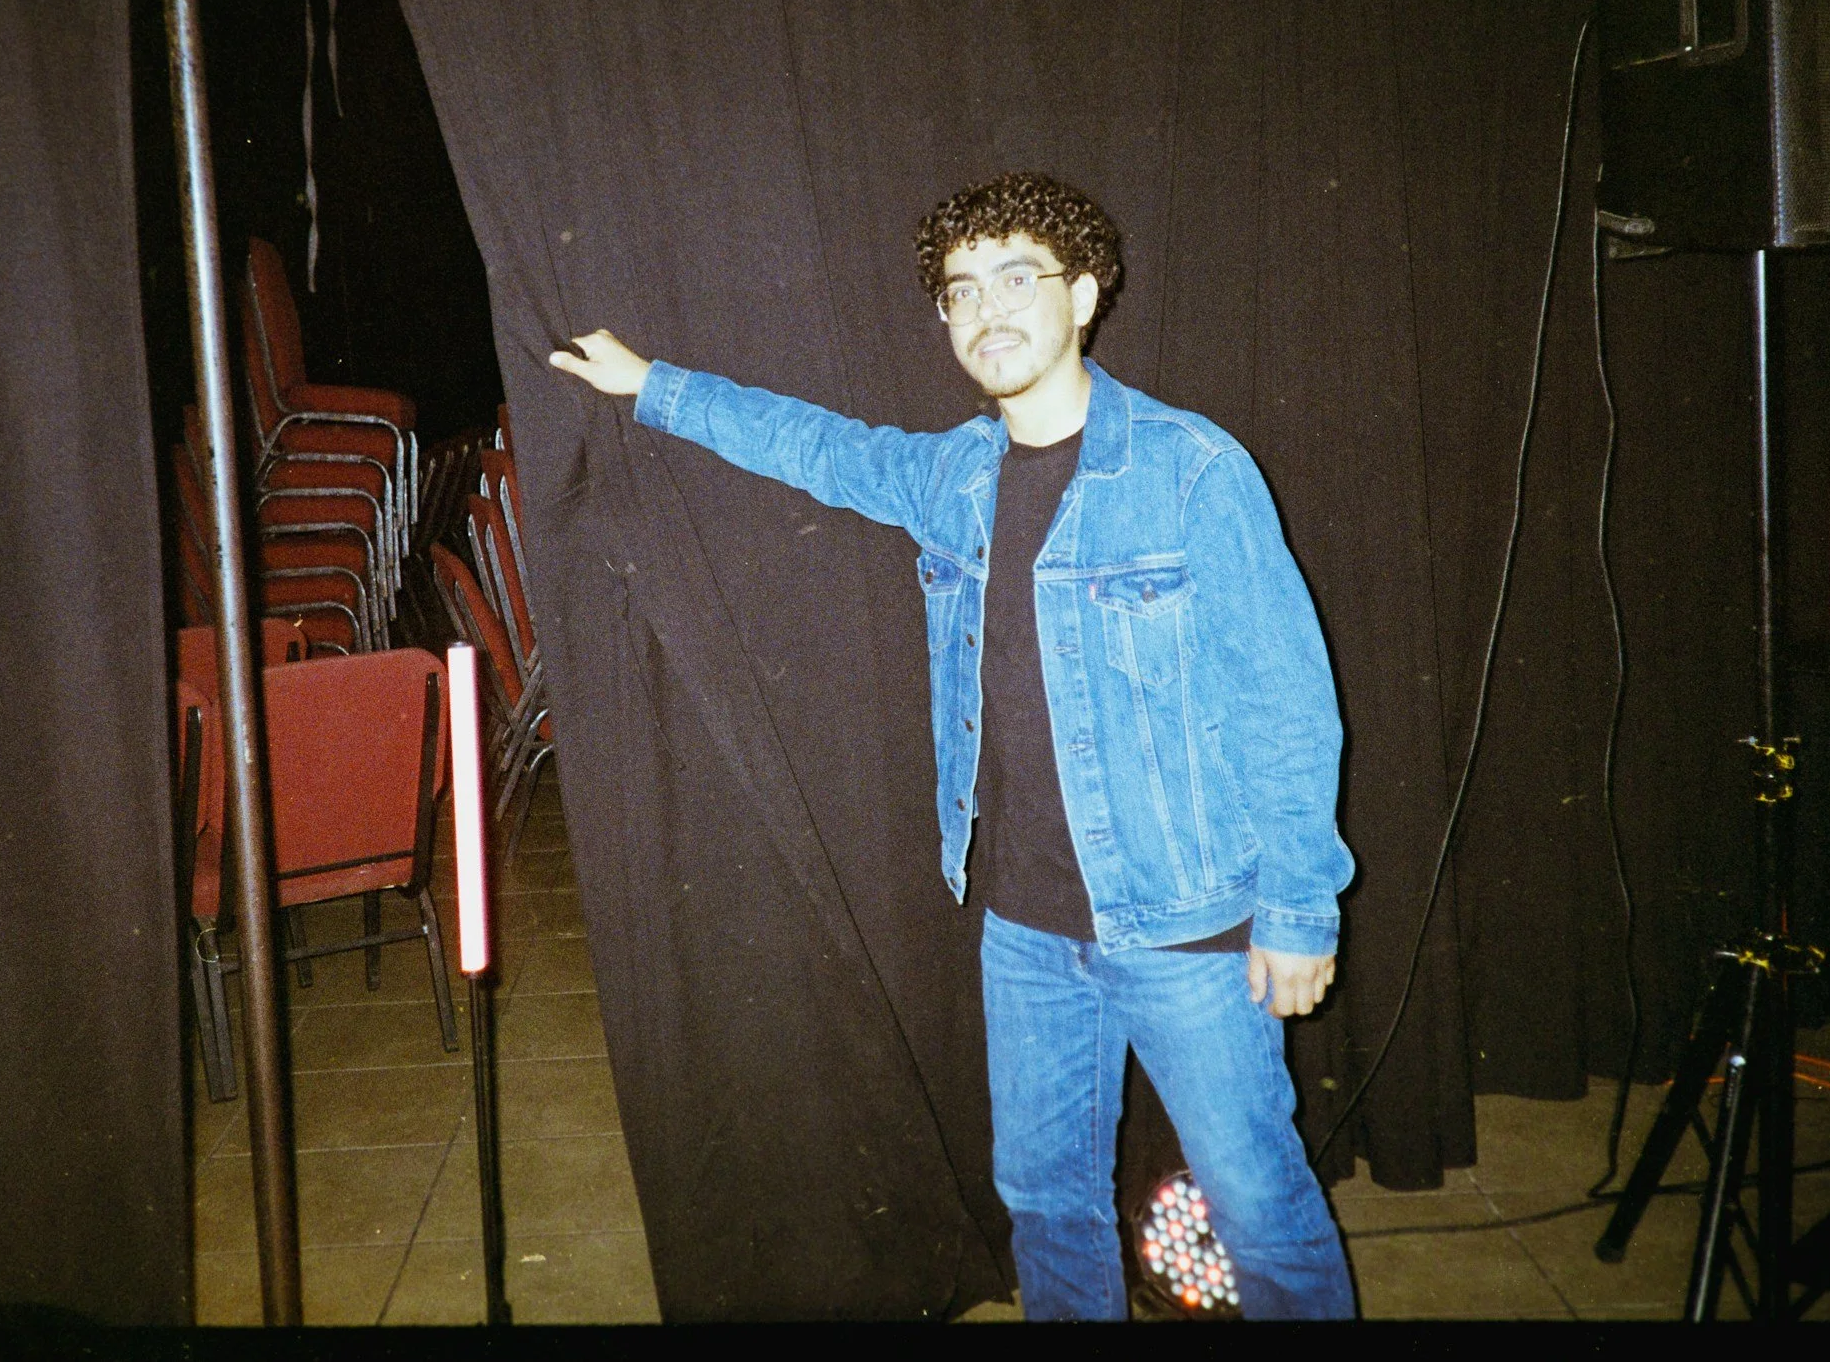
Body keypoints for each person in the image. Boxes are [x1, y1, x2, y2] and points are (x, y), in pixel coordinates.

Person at [550, 171, 1356, 1321]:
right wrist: (650, 385)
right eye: (961, 290)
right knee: (1045, 1203)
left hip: (1184, 920)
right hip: (1024, 925)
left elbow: (1286, 700)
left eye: (1017, 278)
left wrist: (1298, 910)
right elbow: (817, 446)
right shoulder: (956, 475)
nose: (986, 310)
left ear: (1084, 294)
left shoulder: (1191, 469)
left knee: (1259, 1206)